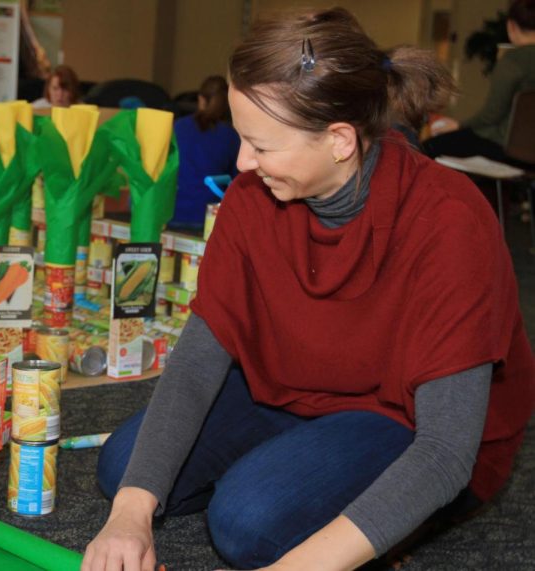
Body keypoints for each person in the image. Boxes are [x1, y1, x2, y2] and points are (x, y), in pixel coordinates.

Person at [84, 8, 535, 571]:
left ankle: (337, 499)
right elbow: (199, 362)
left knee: (246, 523)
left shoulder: (447, 219)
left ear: (340, 140)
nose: (244, 163)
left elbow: (444, 454)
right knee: (124, 469)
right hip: (295, 387)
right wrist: (128, 516)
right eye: (241, 140)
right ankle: (303, 472)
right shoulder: (253, 198)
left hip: (402, 416)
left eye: (261, 146)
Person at [423, 0, 535, 165]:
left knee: (428, 147)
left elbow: (491, 115)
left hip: (505, 146)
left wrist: (459, 125)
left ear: (511, 26)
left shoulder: (513, 61)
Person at [170, 75, 240, 230]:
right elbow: (236, 182)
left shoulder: (178, 127)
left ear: (201, 99)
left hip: (174, 211)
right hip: (209, 217)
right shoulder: (231, 135)